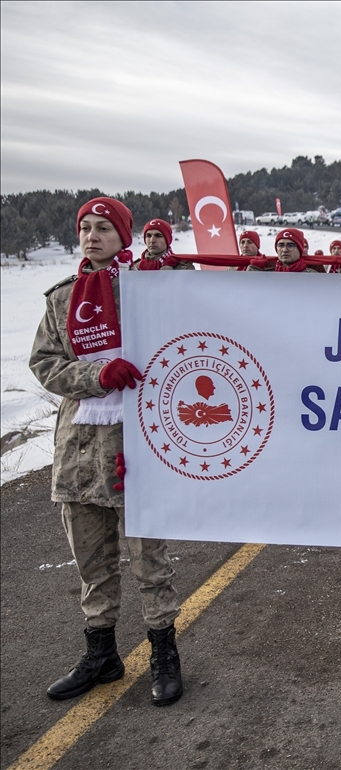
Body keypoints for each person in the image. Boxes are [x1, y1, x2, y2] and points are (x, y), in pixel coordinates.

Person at [29, 198, 184, 706]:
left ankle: (164, 653)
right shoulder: (61, 299)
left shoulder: (151, 291)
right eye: (84, 228)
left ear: (124, 236)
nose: (91, 237)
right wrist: (96, 374)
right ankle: (101, 655)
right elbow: (45, 363)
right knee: (93, 565)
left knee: (149, 561)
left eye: (103, 229)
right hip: (78, 453)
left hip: (137, 448)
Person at [246, 229, 319, 272]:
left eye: (290, 245)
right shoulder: (268, 273)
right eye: (280, 245)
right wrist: (253, 269)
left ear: (300, 249)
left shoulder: (312, 276)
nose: (284, 250)